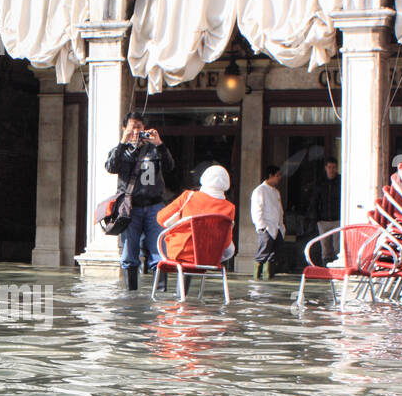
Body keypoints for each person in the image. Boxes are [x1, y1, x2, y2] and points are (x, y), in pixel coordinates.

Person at [105, 111, 174, 290]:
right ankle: (131, 294)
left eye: (139, 127)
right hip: (131, 208)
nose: (136, 131)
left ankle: (159, 292)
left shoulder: (154, 149)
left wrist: (159, 144)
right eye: (132, 127)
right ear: (124, 128)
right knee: (129, 252)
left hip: (154, 206)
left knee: (158, 251)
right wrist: (123, 142)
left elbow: (170, 166)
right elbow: (111, 167)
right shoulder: (122, 150)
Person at [155, 165, 237, 294]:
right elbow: (226, 243)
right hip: (210, 257)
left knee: (181, 246)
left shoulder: (188, 196)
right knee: (230, 249)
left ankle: (180, 294)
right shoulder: (230, 207)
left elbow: (161, 218)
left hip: (182, 252)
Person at [251, 165, 286, 280]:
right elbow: (257, 210)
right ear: (270, 176)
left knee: (273, 255)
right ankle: (256, 277)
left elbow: (279, 210)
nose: (279, 178)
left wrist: (281, 226)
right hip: (266, 227)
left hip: (277, 227)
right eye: (277, 175)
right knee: (263, 253)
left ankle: (269, 277)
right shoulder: (260, 191)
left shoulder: (276, 192)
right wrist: (261, 226)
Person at [307, 156, 341, 263]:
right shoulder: (320, 183)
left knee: (338, 248)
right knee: (325, 249)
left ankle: (337, 269)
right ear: (326, 168)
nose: (331, 170)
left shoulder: (341, 182)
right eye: (329, 167)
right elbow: (315, 200)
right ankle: (326, 271)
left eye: (334, 167)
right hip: (323, 220)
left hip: (337, 220)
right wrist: (316, 218)